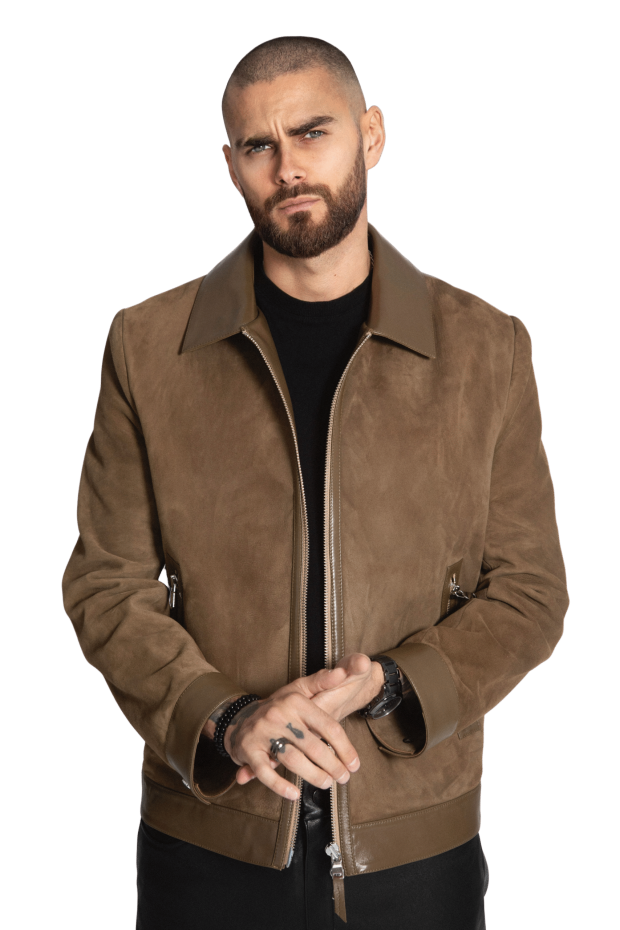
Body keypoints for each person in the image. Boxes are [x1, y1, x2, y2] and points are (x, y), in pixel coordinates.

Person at [62, 35, 569, 930]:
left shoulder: (486, 347)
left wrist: (392, 687)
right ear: (230, 165)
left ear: (371, 135)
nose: (288, 167)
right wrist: (226, 719)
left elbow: (530, 593)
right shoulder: (148, 345)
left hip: (415, 856)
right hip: (206, 847)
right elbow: (106, 585)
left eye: (312, 132)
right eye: (259, 145)